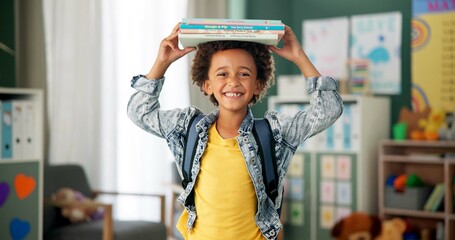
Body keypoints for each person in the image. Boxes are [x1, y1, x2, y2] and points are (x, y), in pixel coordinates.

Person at [127, 22, 343, 240]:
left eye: (244, 74)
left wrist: (299, 57)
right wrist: (161, 63)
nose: (233, 82)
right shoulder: (187, 128)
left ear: (258, 85)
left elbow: (328, 109)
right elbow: (140, 112)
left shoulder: (274, 133)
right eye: (222, 74)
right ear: (206, 84)